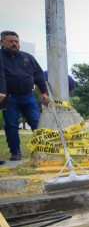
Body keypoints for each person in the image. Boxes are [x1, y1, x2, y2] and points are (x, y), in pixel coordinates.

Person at [0, 31, 49, 161]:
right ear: (2, 42)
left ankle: (42, 149)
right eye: (10, 41)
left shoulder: (27, 57)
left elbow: (38, 75)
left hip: (28, 96)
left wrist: (44, 92)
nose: (14, 44)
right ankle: (15, 152)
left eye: (16, 41)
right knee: (11, 124)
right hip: (8, 97)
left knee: (37, 122)